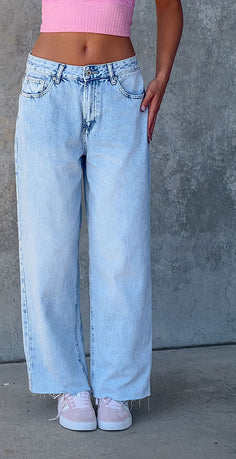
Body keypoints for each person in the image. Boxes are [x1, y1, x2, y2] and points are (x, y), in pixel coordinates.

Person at [14, 0, 183, 431]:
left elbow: (169, 4)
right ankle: (68, 384)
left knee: (122, 249)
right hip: (48, 90)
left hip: (120, 89)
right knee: (47, 250)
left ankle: (116, 388)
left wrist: (162, 76)